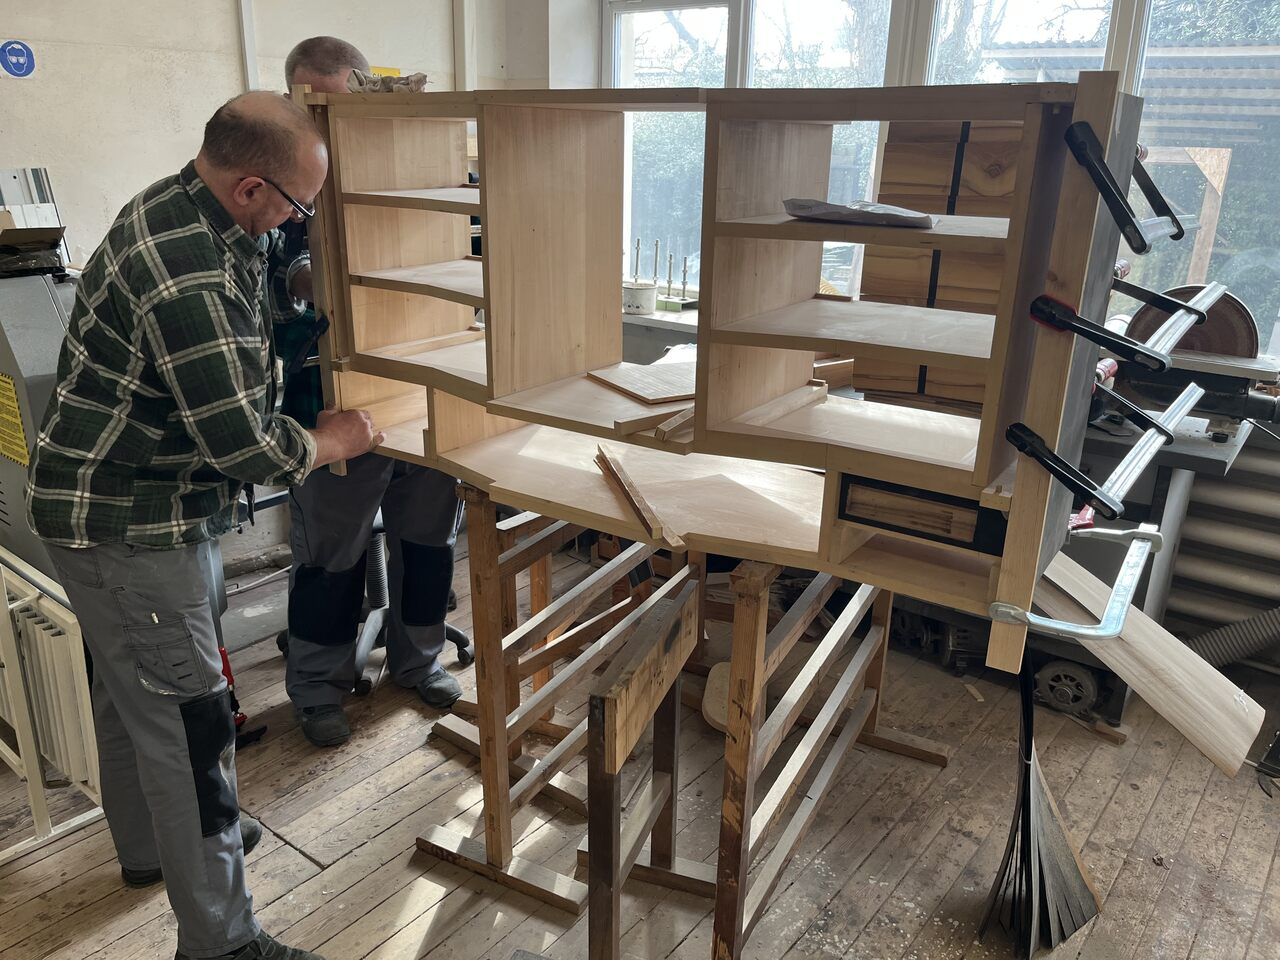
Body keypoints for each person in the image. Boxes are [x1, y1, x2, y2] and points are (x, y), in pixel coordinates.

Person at [24, 91, 371, 960]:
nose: (294, 224)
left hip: (124, 509)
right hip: (133, 525)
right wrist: (335, 439)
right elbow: (244, 446)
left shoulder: (190, 204)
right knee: (191, 733)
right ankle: (222, 942)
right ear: (251, 187)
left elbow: (252, 303)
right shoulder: (188, 273)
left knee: (132, 692)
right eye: (297, 207)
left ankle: (154, 847)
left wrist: (294, 285)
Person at [278, 36, 468, 750]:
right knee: (331, 559)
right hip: (328, 406)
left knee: (428, 544)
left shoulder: (410, 162)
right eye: (312, 104)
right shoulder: (278, 178)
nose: (328, 119)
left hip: (419, 395)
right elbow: (271, 275)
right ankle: (317, 686)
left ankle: (418, 661)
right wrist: (309, 277)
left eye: (339, 102)